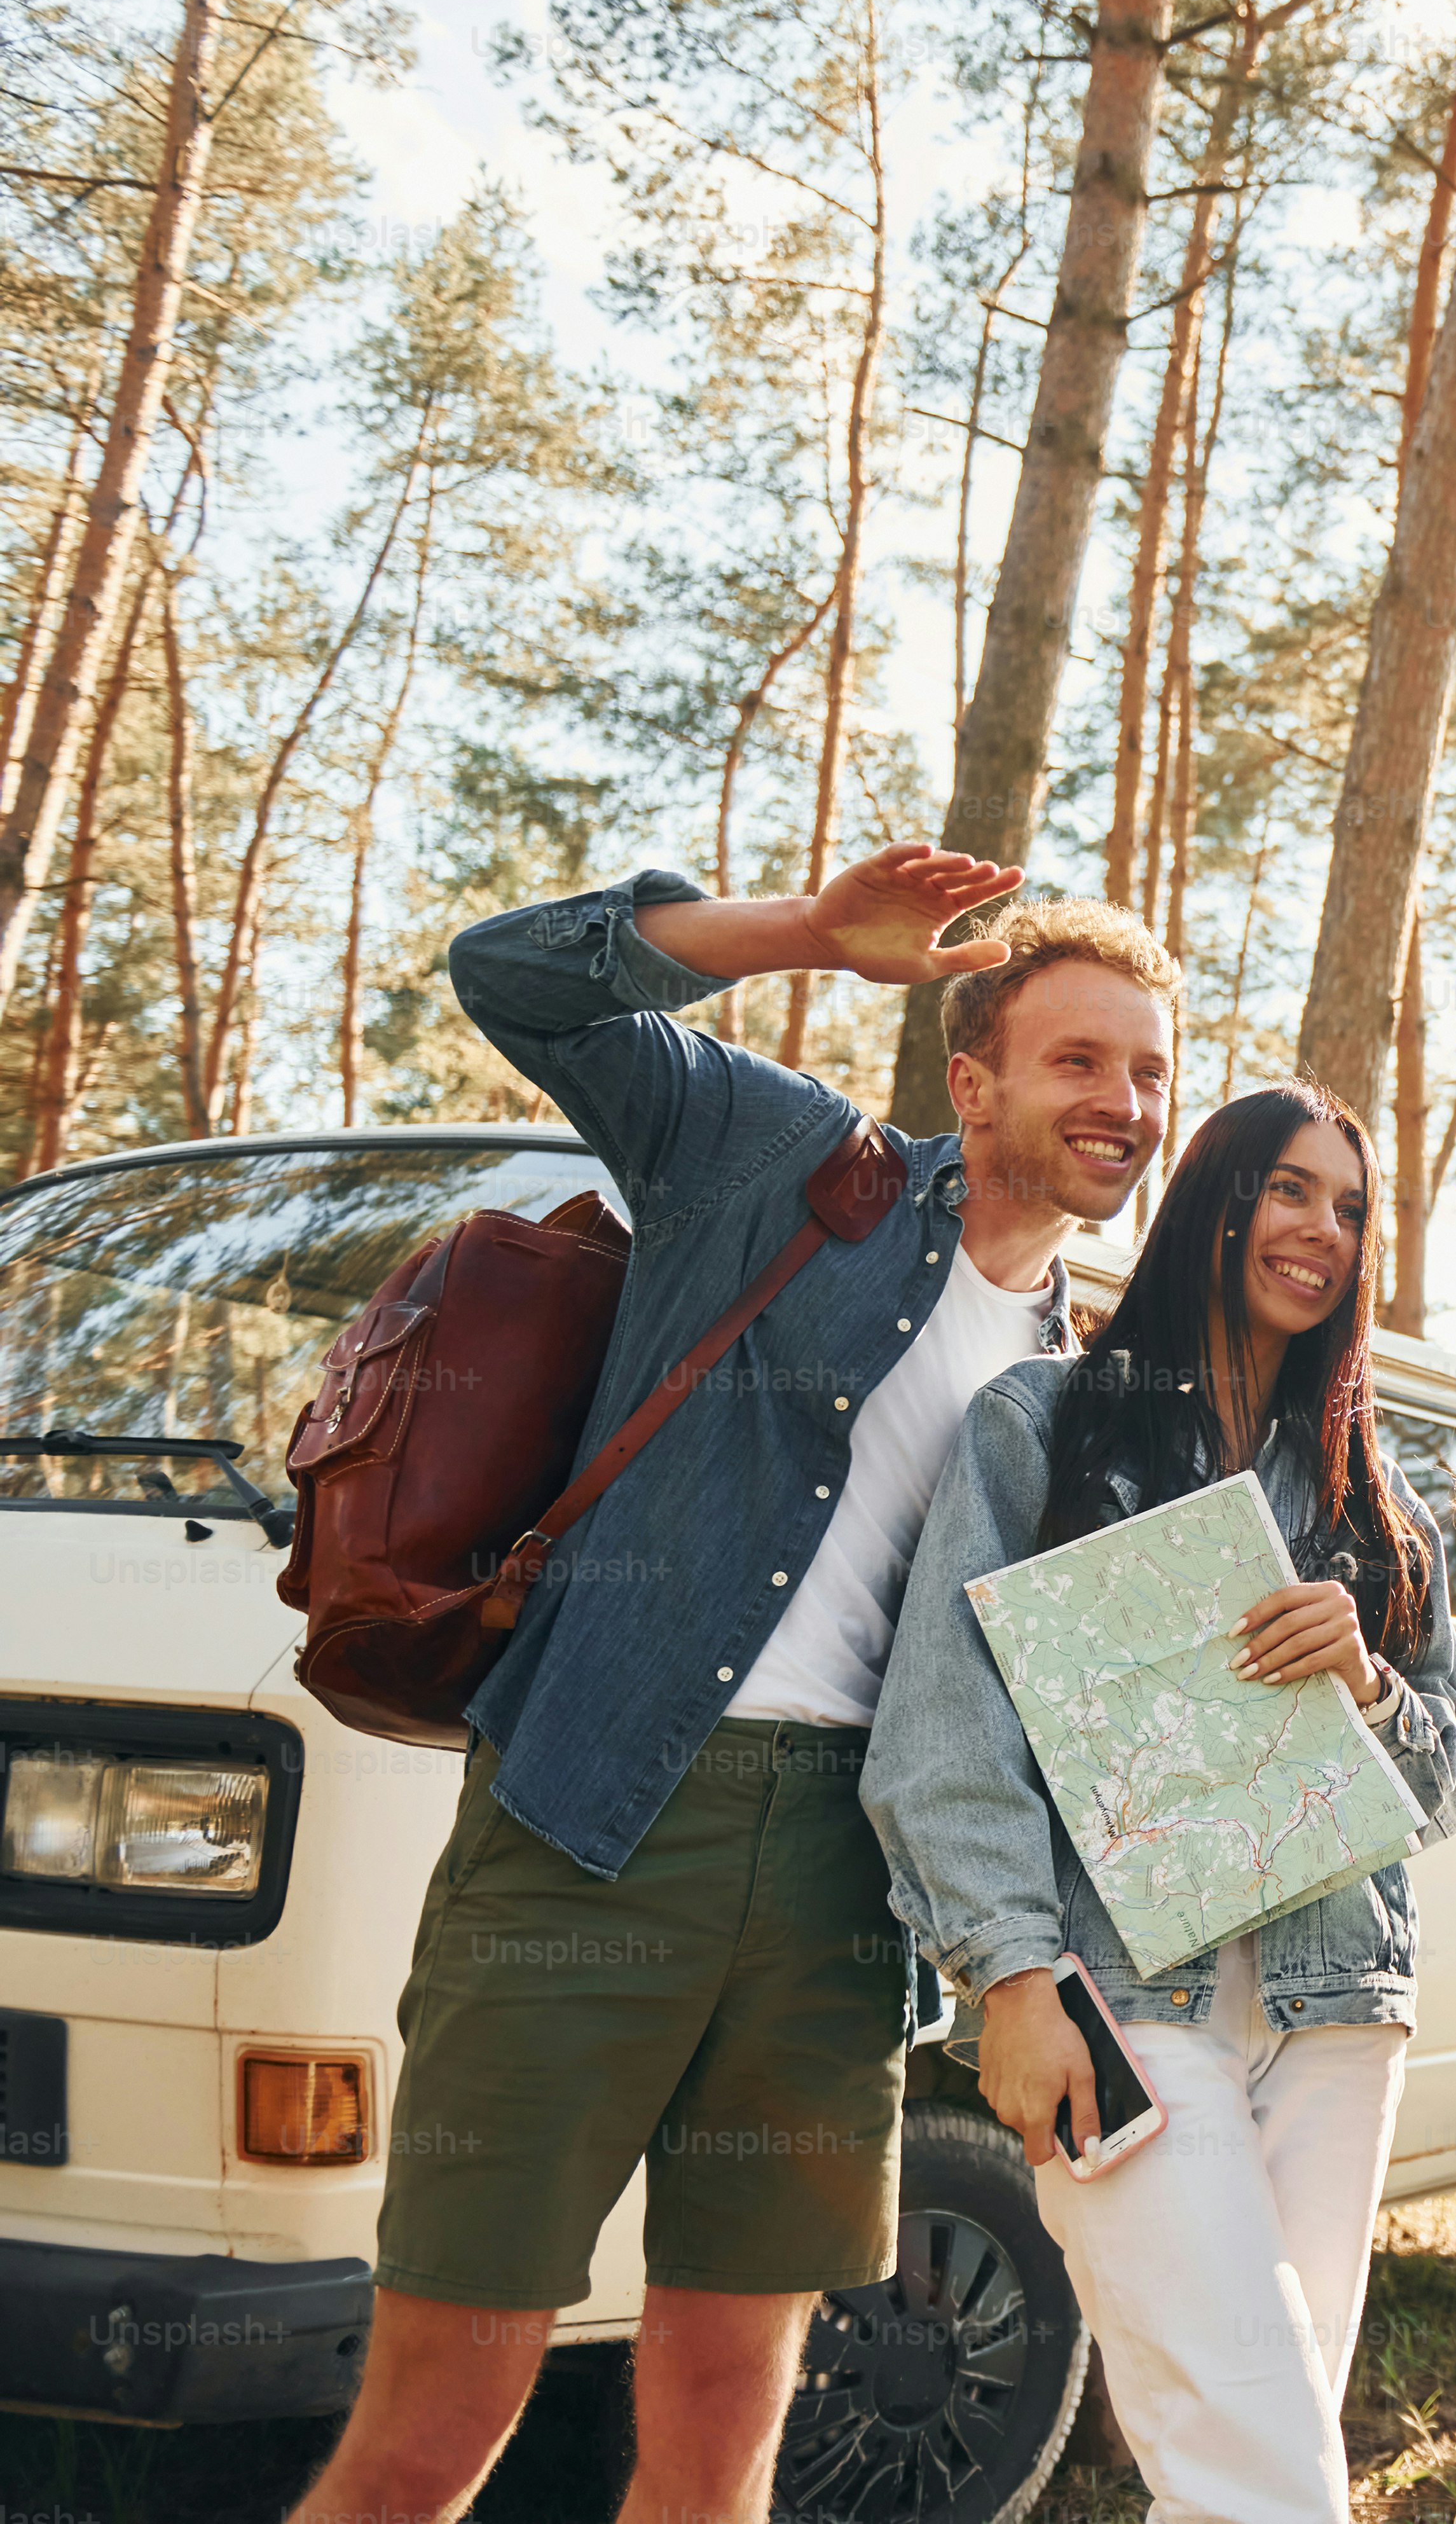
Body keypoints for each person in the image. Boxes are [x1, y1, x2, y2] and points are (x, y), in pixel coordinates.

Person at [289, 850, 1177, 2524]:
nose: (1123, 1101)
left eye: (1149, 1073)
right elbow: (514, 973)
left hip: (847, 1903)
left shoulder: (1092, 1391)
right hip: (597, 1823)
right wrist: (798, 939)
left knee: (726, 2430)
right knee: (437, 2428)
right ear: (972, 1080)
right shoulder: (782, 1165)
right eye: (1079, 1060)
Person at [867, 1080, 1456, 2524]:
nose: (1321, 1227)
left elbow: (1446, 1769)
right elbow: (941, 1737)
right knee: (1262, 2462)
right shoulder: (1047, 1425)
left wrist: (1375, 1688)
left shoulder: (1373, 1490)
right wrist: (1012, 1973)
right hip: (1125, 2010)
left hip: (1344, 2017)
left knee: (1249, 2452)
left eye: (1349, 1204)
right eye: (1287, 1187)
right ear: (1214, 1196)